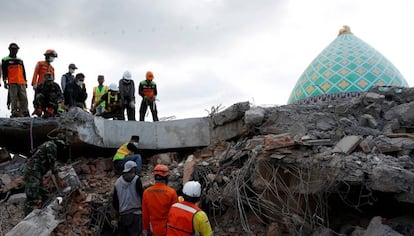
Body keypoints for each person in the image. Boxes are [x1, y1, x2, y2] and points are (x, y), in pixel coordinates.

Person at [22, 134, 67, 215]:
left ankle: (44, 213)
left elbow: (48, 166)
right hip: (32, 172)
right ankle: (28, 218)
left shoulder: (49, 144)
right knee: (32, 197)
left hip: (37, 172)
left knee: (44, 193)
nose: (63, 148)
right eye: (62, 145)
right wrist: (59, 183)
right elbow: (53, 168)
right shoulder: (51, 146)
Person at [142, 164, 178, 236]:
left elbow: (145, 215)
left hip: (153, 230)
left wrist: (146, 230)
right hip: (167, 230)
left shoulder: (146, 192)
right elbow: (174, 214)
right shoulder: (171, 192)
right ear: (166, 177)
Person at [112, 161, 143, 236]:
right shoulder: (136, 179)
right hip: (136, 214)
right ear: (132, 169)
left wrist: (117, 215)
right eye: (135, 168)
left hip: (123, 216)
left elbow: (115, 202)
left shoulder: (117, 183)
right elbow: (142, 195)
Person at [1, 43, 30, 117]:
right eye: (13, 49)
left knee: (24, 98)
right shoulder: (5, 60)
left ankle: (25, 111)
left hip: (21, 81)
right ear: (10, 49)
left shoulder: (20, 60)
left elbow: (23, 71)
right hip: (12, 82)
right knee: (13, 97)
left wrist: (25, 81)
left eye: (16, 49)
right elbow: (4, 72)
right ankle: (14, 111)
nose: (15, 51)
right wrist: (5, 81)